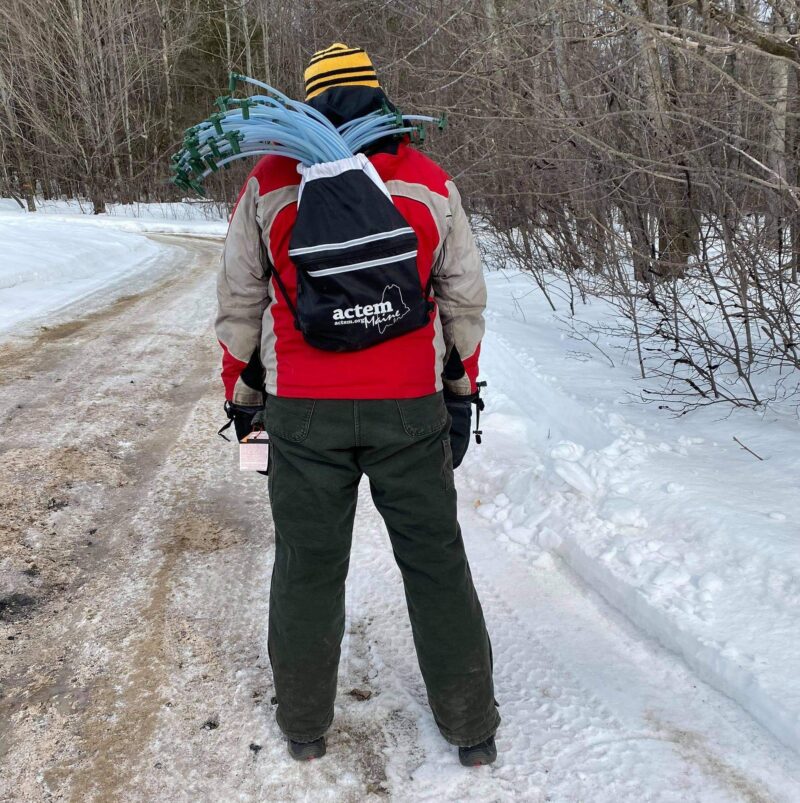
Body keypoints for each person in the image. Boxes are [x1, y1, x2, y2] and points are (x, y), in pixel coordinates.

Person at [216, 43, 499, 766]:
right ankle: (472, 728)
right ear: (379, 98)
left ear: (306, 105)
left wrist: (244, 399)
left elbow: (241, 303)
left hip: (303, 409)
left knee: (308, 565)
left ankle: (305, 725)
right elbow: (462, 297)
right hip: (408, 406)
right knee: (436, 563)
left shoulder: (271, 182)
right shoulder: (427, 181)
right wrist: (460, 389)